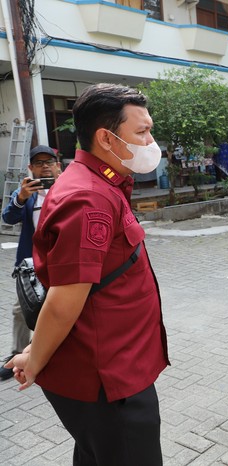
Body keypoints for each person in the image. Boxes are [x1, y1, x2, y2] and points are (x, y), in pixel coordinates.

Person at [4, 83, 169, 465]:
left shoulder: (103, 184)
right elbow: (64, 300)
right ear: (106, 138)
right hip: (108, 378)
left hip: (116, 363)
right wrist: (35, 358)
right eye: (142, 132)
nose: (151, 140)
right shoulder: (89, 198)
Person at [0, 145, 61, 381]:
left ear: (58, 166)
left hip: (62, 262)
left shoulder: (69, 189)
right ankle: (16, 356)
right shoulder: (26, 194)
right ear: (30, 168)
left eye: (49, 162)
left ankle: (52, 354)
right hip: (32, 265)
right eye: (39, 163)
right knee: (20, 310)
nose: (44, 166)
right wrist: (21, 197)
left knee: (59, 309)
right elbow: (8, 218)